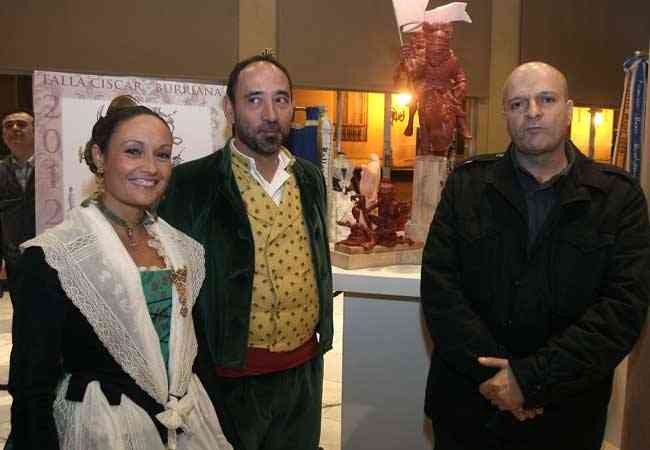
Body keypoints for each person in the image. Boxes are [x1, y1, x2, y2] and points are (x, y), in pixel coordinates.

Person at [421, 61, 650, 450]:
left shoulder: (618, 198)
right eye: (518, 103)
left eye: (546, 99)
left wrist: (530, 380)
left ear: (569, 110)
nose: (532, 112)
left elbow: (622, 310)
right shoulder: (466, 186)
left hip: (565, 415)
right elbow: (440, 290)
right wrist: (498, 380)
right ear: (505, 116)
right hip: (469, 408)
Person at [8, 101, 232, 449]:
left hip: (188, 420)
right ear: (99, 157)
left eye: (162, 154)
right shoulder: (54, 255)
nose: (151, 167)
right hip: (105, 427)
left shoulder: (182, 248)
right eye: (133, 151)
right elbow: (31, 385)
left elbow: (197, 355)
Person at [158, 54, 333, 450]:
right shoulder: (191, 184)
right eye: (254, 100)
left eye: (280, 99)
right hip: (229, 379)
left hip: (304, 370)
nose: (270, 114)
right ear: (229, 109)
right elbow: (171, 287)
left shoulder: (309, 178)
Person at [0, 109, 35, 302]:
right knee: (21, 312)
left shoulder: (52, 167)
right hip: (15, 259)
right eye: (8, 126)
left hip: (51, 256)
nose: (14, 128)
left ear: (36, 131)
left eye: (21, 124)